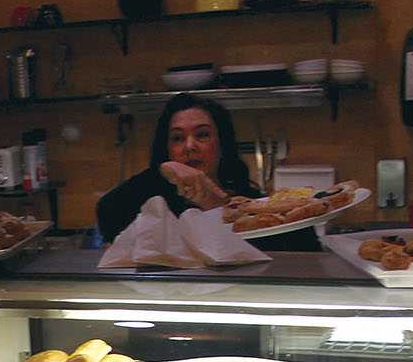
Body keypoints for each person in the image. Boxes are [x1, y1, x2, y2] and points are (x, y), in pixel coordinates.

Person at [95, 92, 319, 251]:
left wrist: (216, 209)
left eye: (202, 135)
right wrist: (162, 171)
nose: (190, 146)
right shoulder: (155, 208)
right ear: (167, 149)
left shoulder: (252, 204)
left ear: (222, 144)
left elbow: (306, 252)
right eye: (178, 138)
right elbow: (108, 213)